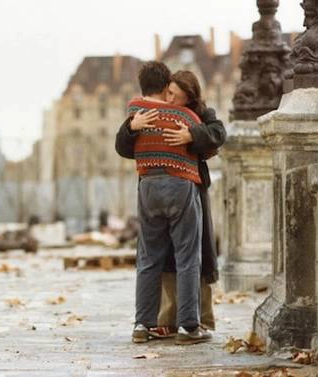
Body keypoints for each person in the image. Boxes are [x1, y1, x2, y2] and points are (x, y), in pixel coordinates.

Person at [118, 61, 211, 345]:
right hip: (180, 185)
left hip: (148, 186)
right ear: (165, 86)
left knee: (147, 259)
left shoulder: (135, 112)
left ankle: (142, 325)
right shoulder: (186, 115)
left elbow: (123, 148)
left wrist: (133, 128)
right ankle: (188, 326)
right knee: (187, 258)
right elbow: (211, 144)